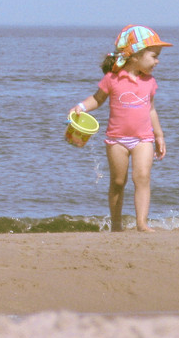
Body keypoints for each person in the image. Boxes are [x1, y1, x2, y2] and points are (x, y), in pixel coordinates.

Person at [70, 25, 172, 232]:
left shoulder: (149, 82)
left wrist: (159, 135)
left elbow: (151, 110)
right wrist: (81, 107)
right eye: (154, 56)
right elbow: (97, 100)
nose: (157, 61)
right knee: (118, 182)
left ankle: (142, 223)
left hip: (143, 139)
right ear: (134, 55)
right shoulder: (112, 79)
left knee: (142, 178)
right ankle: (116, 225)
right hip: (117, 139)